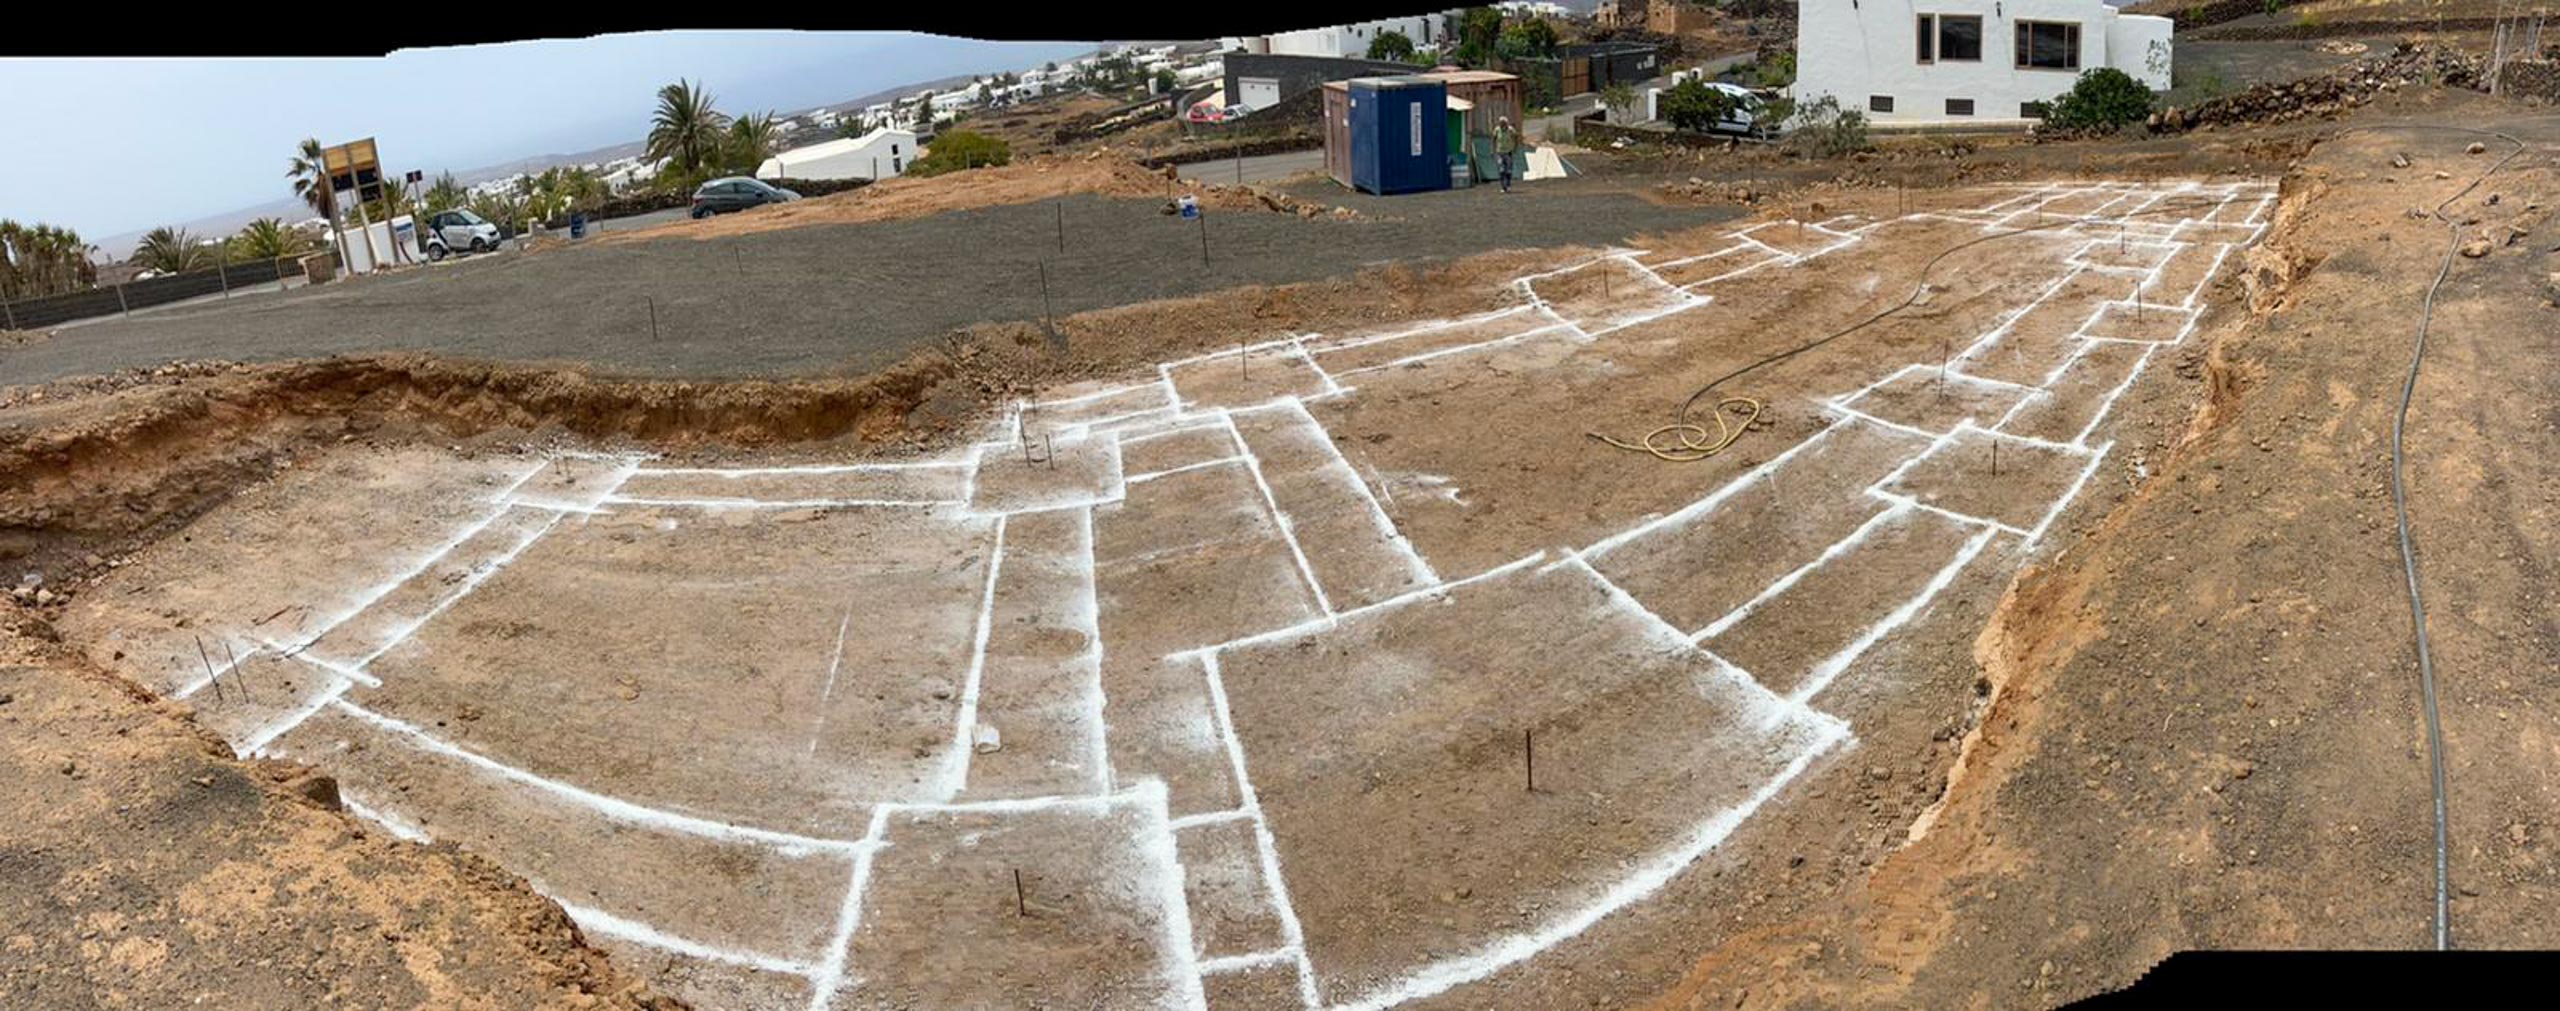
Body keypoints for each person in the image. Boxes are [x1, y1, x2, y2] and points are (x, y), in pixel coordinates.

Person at [1494, 116, 1519, 194]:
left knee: (1508, 170)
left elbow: (1516, 137)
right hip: (1500, 152)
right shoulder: (1497, 130)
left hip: (1508, 152)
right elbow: (1494, 138)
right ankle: (1503, 187)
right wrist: (1493, 149)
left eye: (1503, 123)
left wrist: (1515, 147)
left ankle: (1508, 185)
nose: (1502, 124)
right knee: (1501, 170)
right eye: (1501, 123)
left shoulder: (1510, 130)